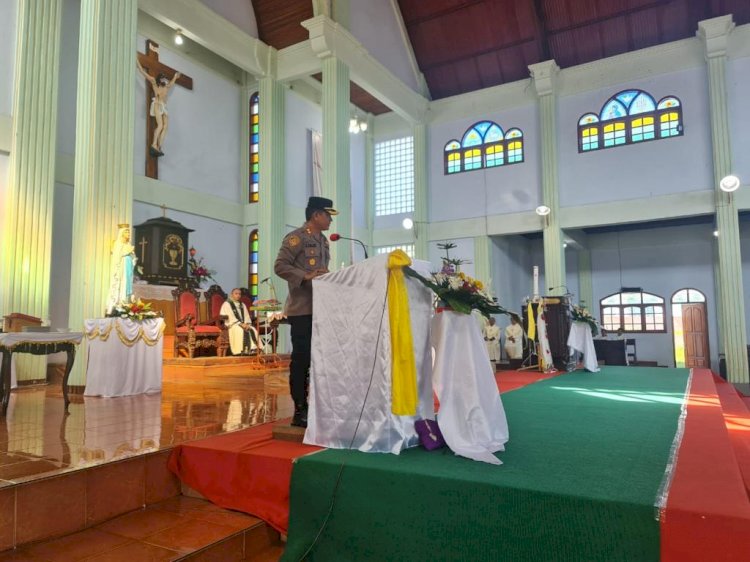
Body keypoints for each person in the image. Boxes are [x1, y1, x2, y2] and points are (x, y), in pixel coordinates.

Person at [274, 196, 337, 427]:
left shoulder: (323, 241)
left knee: (318, 358)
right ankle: (299, 408)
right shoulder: (296, 238)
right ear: (316, 215)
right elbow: (280, 266)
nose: (330, 219)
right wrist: (305, 276)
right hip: (302, 309)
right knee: (301, 359)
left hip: (322, 308)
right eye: (327, 215)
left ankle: (316, 404)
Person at [136, 59, 181, 157]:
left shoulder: (167, 86)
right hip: (157, 104)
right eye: (163, 79)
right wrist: (138, 62)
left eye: (165, 79)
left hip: (164, 107)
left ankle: (159, 145)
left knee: (166, 126)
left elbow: (172, 82)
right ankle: (153, 144)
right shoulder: (154, 83)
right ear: (159, 79)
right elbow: (142, 72)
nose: (165, 81)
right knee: (160, 125)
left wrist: (175, 76)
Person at [106, 224, 137, 315]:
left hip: (128, 268)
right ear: (122, 233)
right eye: (126, 232)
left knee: (127, 285)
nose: (128, 233)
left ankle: (126, 303)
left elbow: (133, 257)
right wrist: (126, 254)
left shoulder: (128, 245)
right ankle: (120, 303)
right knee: (121, 285)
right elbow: (116, 257)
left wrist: (133, 258)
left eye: (129, 232)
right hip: (122, 269)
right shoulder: (118, 244)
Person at [220, 288, 259, 356]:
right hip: (232, 324)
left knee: (252, 329)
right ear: (232, 295)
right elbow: (230, 316)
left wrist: (247, 324)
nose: (238, 295)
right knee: (240, 330)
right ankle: (241, 350)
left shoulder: (242, 304)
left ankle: (253, 349)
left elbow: (246, 315)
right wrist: (240, 324)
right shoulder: (227, 304)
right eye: (236, 293)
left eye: (239, 294)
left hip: (243, 323)